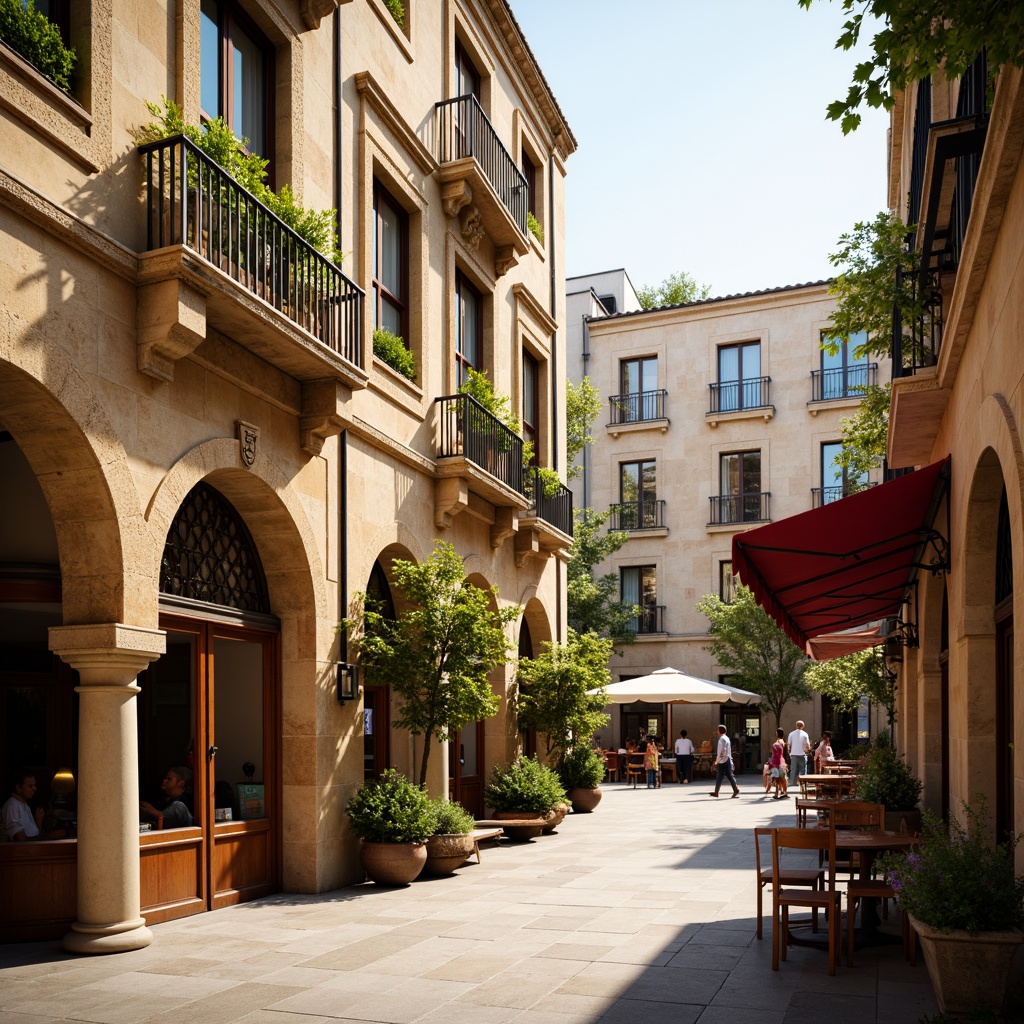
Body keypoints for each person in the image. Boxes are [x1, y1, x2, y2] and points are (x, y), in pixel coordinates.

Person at [710, 725, 739, 798]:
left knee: (720, 775)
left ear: (719, 731)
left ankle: (717, 792)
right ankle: (734, 789)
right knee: (728, 775)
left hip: (723, 759)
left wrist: (717, 760)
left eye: (718, 730)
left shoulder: (721, 739)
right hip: (727, 758)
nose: (717, 731)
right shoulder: (727, 738)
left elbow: (720, 751)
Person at [787, 720, 811, 788]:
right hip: (802, 754)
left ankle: (792, 782)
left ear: (796, 725)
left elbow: (789, 744)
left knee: (793, 769)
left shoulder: (791, 734)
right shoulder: (805, 734)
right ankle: (803, 782)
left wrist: (789, 753)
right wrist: (808, 751)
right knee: (803, 769)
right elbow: (807, 745)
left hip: (793, 754)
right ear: (803, 726)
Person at [768, 728, 789, 799]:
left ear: (777, 734)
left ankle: (777, 793)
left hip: (777, 762)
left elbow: (775, 754)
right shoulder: (783, 742)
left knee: (777, 778)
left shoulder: (777, 743)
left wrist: (770, 762)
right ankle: (784, 792)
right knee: (783, 778)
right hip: (782, 762)